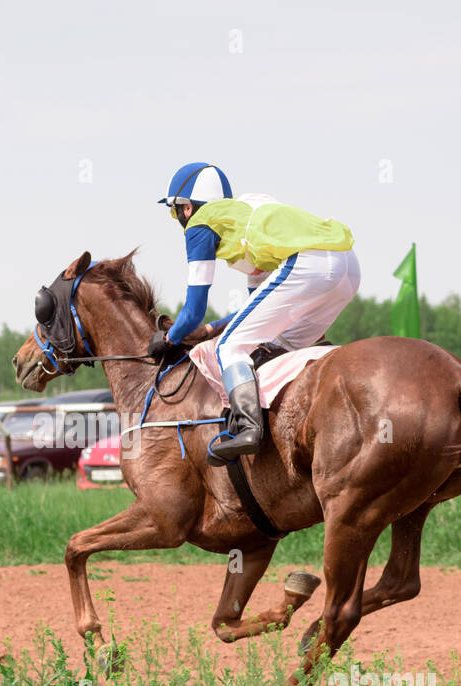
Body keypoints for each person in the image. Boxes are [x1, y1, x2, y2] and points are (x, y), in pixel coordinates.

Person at [150, 163, 360, 465]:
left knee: (230, 347)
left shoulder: (200, 224)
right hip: (347, 267)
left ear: (187, 208)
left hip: (309, 265)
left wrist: (170, 338)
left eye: (176, 211)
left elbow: (193, 309)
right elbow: (257, 311)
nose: (179, 219)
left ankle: (248, 429)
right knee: (279, 346)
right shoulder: (247, 212)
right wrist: (211, 329)